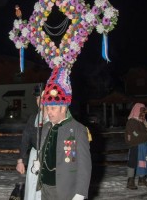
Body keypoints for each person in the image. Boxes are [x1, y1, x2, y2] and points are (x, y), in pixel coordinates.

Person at [36, 67, 92, 200]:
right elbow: (46, 152)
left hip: (66, 190)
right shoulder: (46, 127)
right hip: (45, 188)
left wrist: (80, 192)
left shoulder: (78, 129)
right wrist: (38, 163)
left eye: (53, 108)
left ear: (64, 107)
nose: (49, 112)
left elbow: (85, 165)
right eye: (48, 108)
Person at [16, 85, 48, 200]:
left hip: (50, 158)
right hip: (34, 157)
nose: (39, 101)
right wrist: (20, 160)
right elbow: (25, 140)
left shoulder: (56, 118)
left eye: (42, 98)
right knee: (32, 186)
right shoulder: (33, 118)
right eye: (37, 98)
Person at [125, 103, 147, 190]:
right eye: (142, 112)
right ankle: (130, 181)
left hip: (144, 144)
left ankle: (141, 179)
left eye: (144, 113)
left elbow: (144, 132)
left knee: (143, 161)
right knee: (133, 161)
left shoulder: (142, 122)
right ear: (137, 112)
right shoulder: (132, 121)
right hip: (135, 145)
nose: (143, 115)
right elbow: (135, 134)